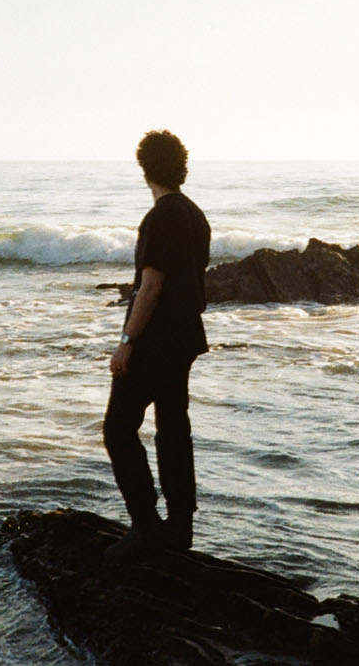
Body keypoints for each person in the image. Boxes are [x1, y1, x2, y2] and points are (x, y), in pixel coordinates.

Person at [102, 129, 211, 561]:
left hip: (158, 338)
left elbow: (151, 287)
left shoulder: (161, 216)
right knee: (172, 429)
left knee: (118, 429)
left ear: (145, 168)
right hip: (185, 336)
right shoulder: (194, 214)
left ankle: (146, 525)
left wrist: (126, 342)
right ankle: (180, 527)